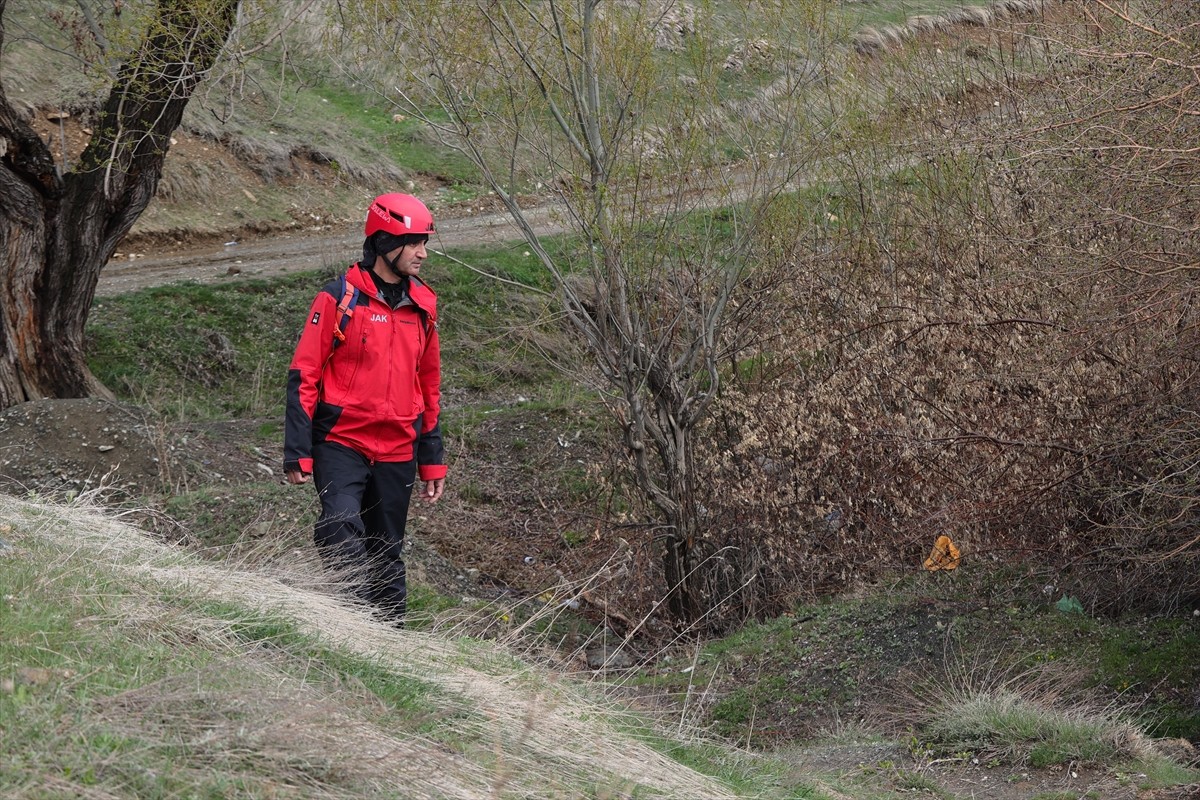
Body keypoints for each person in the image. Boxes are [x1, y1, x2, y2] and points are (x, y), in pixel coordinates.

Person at [284, 192, 446, 626]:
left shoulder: (424, 306)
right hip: (342, 441)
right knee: (339, 525)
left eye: (424, 242)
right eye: (414, 242)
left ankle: (389, 642)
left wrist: (432, 461)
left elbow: (429, 386)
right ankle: (351, 623)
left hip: (398, 447)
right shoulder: (340, 298)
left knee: (387, 551)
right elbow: (304, 374)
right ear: (383, 242)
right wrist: (297, 449)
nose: (423, 253)